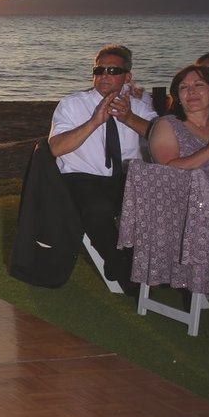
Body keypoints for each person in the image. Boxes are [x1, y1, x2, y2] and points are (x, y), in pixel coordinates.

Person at [49, 45, 156, 295]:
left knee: (155, 204)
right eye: (99, 69)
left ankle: (143, 265)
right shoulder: (73, 105)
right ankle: (122, 267)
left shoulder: (139, 104)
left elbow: (162, 138)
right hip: (82, 178)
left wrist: (129, 117)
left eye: (113, 70)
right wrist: (94, 121)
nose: (104, 75)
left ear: (127, 77)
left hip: (129, 177)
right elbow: (55, 148)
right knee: (97, 208)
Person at [148, 64, 209, 193]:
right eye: (184, 87)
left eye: (199, 85)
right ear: (178, 97)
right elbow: (167, 170)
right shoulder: (168, 125)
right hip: (188, 203)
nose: (191, 91)